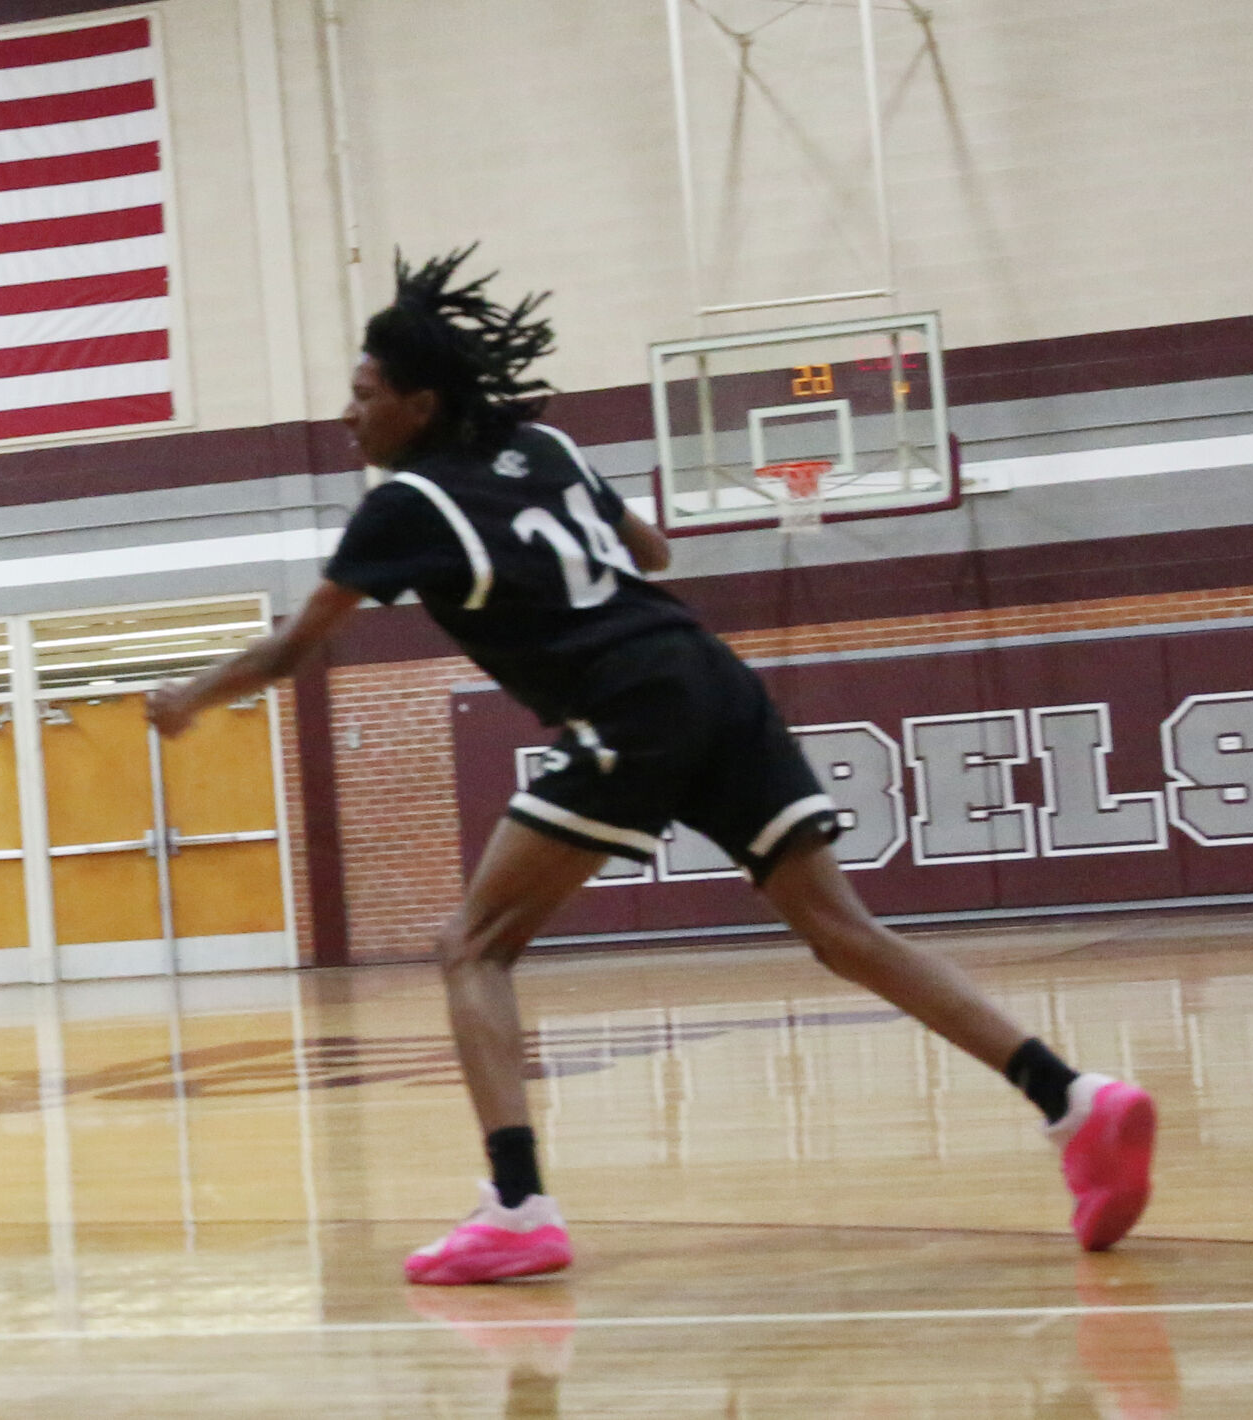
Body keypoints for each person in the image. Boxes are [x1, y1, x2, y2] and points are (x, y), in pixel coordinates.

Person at [148, 249, 1158, 1285]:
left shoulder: (402, 505)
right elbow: (655, 550)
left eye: (363, 397)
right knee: (841, 930)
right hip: (710, 675)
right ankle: (1071, 1099)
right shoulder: (542, 443)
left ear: (419, 403)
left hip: (625, 701)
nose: (346, 419)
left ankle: (514, 1205)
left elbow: (289, 647)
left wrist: (186, 697)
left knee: (473, 947)